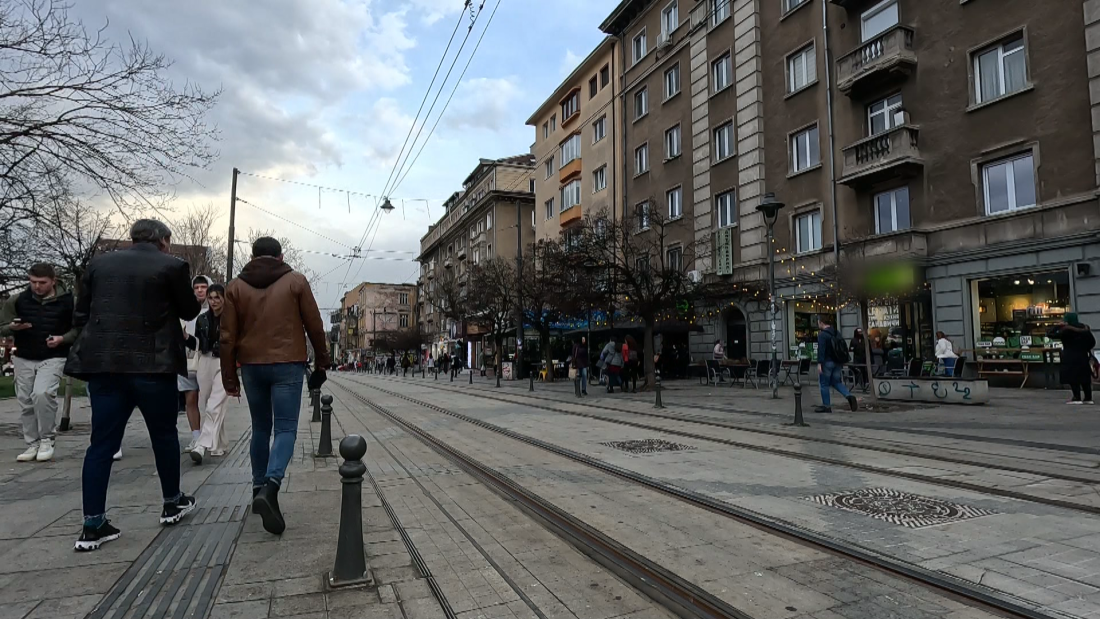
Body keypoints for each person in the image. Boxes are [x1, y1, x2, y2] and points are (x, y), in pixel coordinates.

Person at [66, 219, 201, 551]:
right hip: (153, 366)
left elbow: (80, 314)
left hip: (106, 367)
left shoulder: (98, 264)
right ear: (164, 241)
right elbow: (189, 308)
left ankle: (92, 523)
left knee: (101, 444)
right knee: (164, 435)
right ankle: (172, 501)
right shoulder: (172, 265)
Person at [221, 237, 330, 535]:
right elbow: (315, 325)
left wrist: (229, 378)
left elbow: (227, 337)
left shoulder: (235, 287)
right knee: (285, 430)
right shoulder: (295, 281)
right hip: (287, 365)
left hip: (252, 367)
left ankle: (258, 487)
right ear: (281, 256)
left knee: (260, 428)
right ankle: (270, 487)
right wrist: (322, 363)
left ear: (252, 257)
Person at [0, 264, 78, 462]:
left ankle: (47, 439)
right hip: (24, 356)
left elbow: (78, 328)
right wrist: (12, 327)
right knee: (26, 401)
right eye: (33, 282)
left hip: (53, 355)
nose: (37, 287)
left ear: (53, 280)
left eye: (42, 283)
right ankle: (32, 443)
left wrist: (63, 338)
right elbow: (3, 327)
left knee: (42, 394)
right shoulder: (17, 300)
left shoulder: (68, 302)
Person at [189, 284, 229, 465]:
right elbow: (197, 344)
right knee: (206, 402)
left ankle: (201, 445)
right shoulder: (202, 319)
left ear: (223, 298)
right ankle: (219, 444)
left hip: (224, 361)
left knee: (215, 403)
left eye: (217, 297)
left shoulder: (231, 318)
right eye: (211, 298)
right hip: (205, 361)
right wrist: (185, 339)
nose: (214, 301)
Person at [180, 275, 210, 453]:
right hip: (187, 361)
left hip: (207, 360)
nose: (200, 290)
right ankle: (196, 437)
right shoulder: (186, 311)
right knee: (190, 399)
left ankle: (210, 437)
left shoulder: (213, 311)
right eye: (196, 287)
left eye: (203, 287)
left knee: (208, 401)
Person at [815, 316, 858, 413]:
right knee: (836, 382)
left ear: (821, 323)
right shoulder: (836, 333)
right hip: (837, 362)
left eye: (818, 322)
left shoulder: (822, 335)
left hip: (827, 362)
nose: (818, 324)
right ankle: (849, 395)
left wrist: (819, 363)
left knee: (824, 384)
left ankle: (826, 406)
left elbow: (821, 350)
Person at [1054, 314, 1096, 405]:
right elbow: (1092, 342)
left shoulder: (1066, 330)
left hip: (1070, 356)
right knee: (1085, 377)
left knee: (1073, 377)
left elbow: (1050, 335)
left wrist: (1058, 326)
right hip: (1083, 356)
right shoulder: (1085, 329)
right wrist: (1085, 348)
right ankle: (1088, 398)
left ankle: (1076, 397)